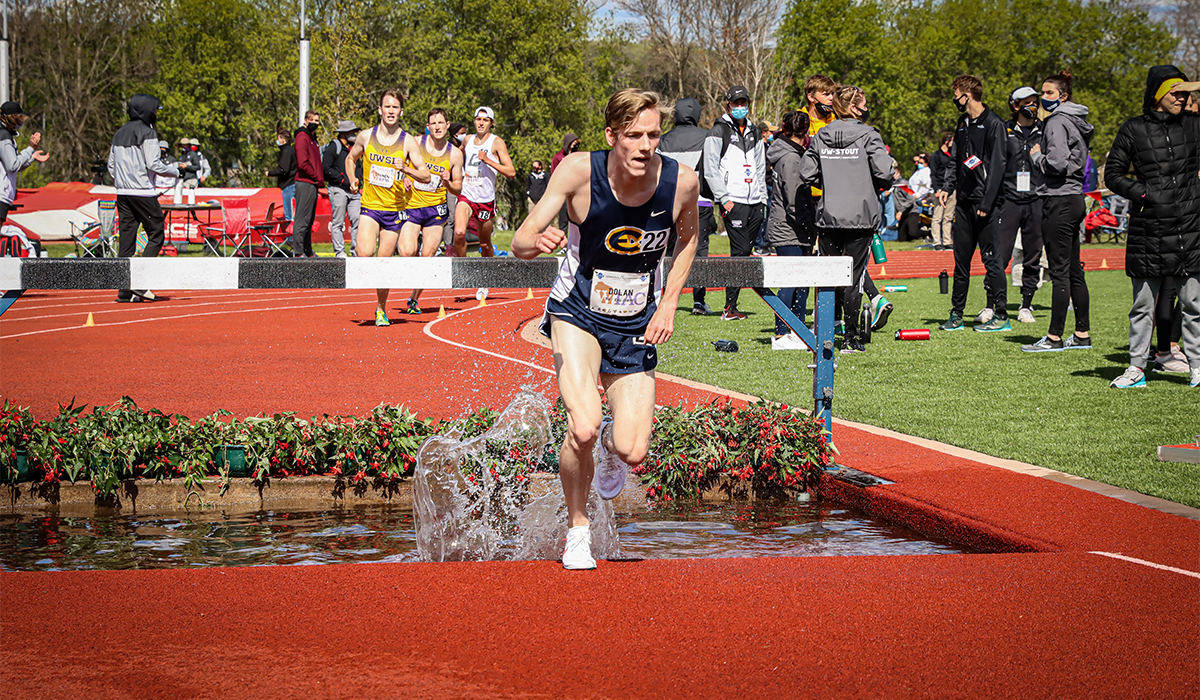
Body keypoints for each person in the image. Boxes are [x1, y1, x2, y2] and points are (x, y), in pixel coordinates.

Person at [511, 89, 699, 570]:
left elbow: (690, 239)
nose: (645, 147)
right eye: (633, 136)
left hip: (637, 318)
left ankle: (613, 449)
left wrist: (669, 304)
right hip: (578, 311)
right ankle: (579, 529)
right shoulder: (578, 171)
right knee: (584, 425)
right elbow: (520, 241)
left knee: (633, 450)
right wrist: (540, 239)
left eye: (654, 135)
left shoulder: (681, 183)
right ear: (611, 135)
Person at [1103, 65, 1200, 388]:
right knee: (1142, 306)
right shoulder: (1133, 129)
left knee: (1193, 305)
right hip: (1149, 230)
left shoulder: (1194, 125)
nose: (1184, 98)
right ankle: (1136, 368)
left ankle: (1197, 367)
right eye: (1177, 93)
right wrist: (1145, 194)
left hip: (1190, 228)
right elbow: (1113, 174)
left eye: (1187, 93)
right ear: (1159, 94)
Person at [800, 84, 892, 354]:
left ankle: (828, 332)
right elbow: (885, 172)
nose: (866, 108)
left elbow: (806, 173)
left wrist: (830, 181)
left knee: (829, 275)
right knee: (854, 276)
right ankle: (851, 338)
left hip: (829, 215)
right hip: (860, 216)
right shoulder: (868, 135)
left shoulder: (821, 135)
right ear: (854, 107)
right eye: (863, 103)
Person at [1021, 71, 1094, 352]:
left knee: (1060, 272)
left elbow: (1058, 162)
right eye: (1042, 92)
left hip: (1059, 198)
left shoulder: (1056, 122)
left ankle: (1054, 338)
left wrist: (1037, 155)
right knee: (1074, 270)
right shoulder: (1077, 120)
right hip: (1075, 198)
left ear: (1062, 96)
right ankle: (1081, 334)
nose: (1042, 98)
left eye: (1048, 93)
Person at [346, 89, 430, 326]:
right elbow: (351, 158)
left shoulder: (408, 141)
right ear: (380, 110)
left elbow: (425, 175)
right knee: (363, 254)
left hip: (394, 212)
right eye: (387, 107)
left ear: (401, 112)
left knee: (384, 264)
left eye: (395, 107)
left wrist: (406, 169)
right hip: (370, 206)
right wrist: (352, 178)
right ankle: (379, 302)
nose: (391, 111)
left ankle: (380, 308)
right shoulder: (365, 136)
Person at [936, 75, 1009, 333]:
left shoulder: (994, 124)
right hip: (964, 204)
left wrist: (987, 202)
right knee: (961, 262)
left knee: (992, 261)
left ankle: (1001, 314)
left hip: (985, 204)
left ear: (967, 95)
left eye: (956, 94)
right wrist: (947, 188)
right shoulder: (963, 122)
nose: (955, 99)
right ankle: (957, 314)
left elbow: (999, 167)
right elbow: (956, 160)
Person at [106, 93, 185, 302]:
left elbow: (111, 166)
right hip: (142, 192)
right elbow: (154, 164)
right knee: (157, 233)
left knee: (126, 241)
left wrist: (121, 182)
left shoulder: (119, 133)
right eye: (155, 111)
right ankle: (140, 283)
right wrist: (176, 171)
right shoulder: (148, 132)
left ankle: (124, 289)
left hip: (122, 193)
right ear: (147, 111)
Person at [703, 85, 766, 321]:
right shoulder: (718, 130)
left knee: (744, 252)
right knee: (740, 252)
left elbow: (760, 166)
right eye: (736, 103)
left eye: (744, 103)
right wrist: (724, 198)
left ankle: (731, 306)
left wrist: (763, 199)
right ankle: (729, 307)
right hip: (733, 201)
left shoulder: (755, 131)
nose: (740, 107)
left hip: (755, 201)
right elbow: (710, 169)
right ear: (728, 105)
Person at [656, 96, 716, 315]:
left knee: (668, 251)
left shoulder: (663, 140)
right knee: (699, 251)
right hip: (699, 201)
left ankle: (664, 296)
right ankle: (699, 301)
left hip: (669, 201)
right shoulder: (708, 137)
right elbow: (712, 170)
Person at [765, 109, 816, 350]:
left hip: (793, 226)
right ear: (805, 132)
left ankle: (798, 331)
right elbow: (794, 200)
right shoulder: (792, 159)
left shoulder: (789, 153)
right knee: (791, 282)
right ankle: (781, 334)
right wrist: (810, 224)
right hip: (789, 228)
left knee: (801, 281)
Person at [403, 108, 462, 313]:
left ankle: (414, 298)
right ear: (428, 127)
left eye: (441, 122)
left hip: (436, 210)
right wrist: (405, 178)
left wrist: (447, 182)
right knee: (407, 250)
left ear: (447, 125)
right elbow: (401, 165)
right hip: (412, 205)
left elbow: (458, 187)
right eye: (433, 123)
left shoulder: (455, 154)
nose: (437, 126)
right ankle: (411, 276)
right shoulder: (416, 143)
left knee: (427, 257)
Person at [996, 86, 1046, 325]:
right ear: (1015, 105)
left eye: (1035, 102)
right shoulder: (1004, 131)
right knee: (1001, 255)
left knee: (1032, 255)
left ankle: (1026, 304)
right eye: (1027, 102)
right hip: (1010, 200)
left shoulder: (1044, 131)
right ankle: (995, 304)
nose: (1033, 106)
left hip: (1036, 199)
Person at [454, 106, 516, 259]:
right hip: (466, 195)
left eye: (485, 120)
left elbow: (511, 172)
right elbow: (457, 155)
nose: (481, 123)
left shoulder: (497, 142)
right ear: (474, 121)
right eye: (478, 119)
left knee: (484, 243)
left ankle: (487, 275)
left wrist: (488, 160)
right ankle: (462, 271)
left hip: (485, 199)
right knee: (459, 232)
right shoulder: (468, 139)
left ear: (491, 123)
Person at [0, 102, 49, 227]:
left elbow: (11, 165)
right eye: (20, 117)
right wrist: (30, 148)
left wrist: (31, 156)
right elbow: (12, 165)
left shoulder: (5, 135)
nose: (21, 121)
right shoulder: (4, 136)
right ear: (13, 117)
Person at [323, 119, 361, 258]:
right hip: (338, 189)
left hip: (354, 191)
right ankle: (339, 252)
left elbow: (359, 168)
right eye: (352, 132)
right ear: (344, 133)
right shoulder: (334, 147)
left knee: (357, 220)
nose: (354, 135)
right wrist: (344, 180)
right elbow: (326, 168)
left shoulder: (355, 148)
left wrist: (358, 181)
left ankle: (355, 251)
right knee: (338, 221)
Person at [292, 110, 324, 258]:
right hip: (305, 182)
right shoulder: (302, 137)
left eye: (317, 121)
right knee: (302, 219)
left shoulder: (312, 139)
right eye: (313, 120)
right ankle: (298, 252)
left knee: (309, 220)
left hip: (312, 182)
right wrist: (316, 176)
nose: (316, 124)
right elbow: (302, 163)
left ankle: (308, 251)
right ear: (306, 120)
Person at [929, 133, 955, 250]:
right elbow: (933, 174)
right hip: (940, 187)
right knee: (938, 216)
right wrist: (936, 189)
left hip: (951, 189)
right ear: (947, 141)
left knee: (948, 217)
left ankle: (947, 240)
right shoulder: (936, 155)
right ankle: (936, 241)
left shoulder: (953, 155)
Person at [266, 128, 297, 221]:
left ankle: (291, 235)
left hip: (289, 185)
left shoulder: (286, 152)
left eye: (278, 139)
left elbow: (283, 170)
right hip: (292, 184)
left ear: (283, 139)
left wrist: (270, 173)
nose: (277, 141)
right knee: (292, 214)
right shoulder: (291, 150)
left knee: (289, 216)